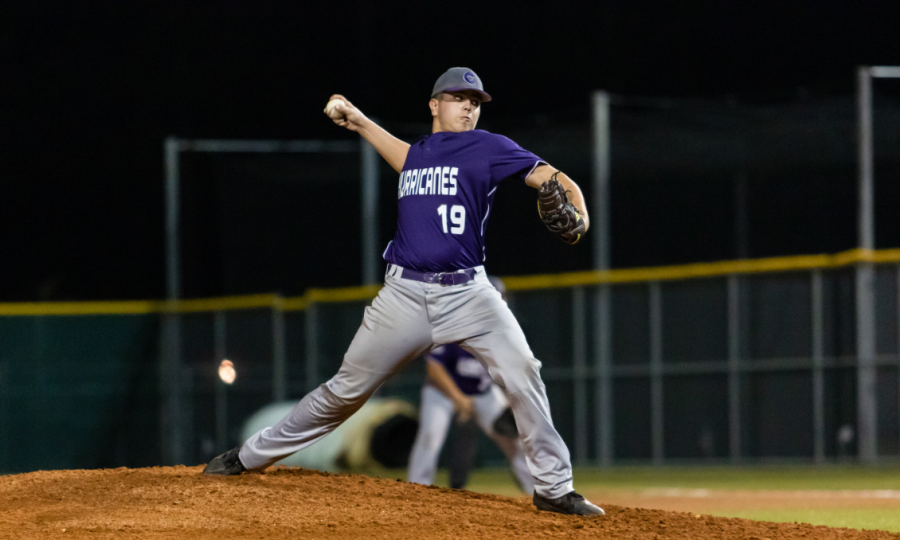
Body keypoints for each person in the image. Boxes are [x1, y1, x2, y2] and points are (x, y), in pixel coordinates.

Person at [204, 67, 604, 517]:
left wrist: (580, 213)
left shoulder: (488, 147)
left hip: (469, 293)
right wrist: (355, 118)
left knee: (524, 372)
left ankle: (553, 487)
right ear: (434, 104)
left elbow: (552, 178)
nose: (469, 106)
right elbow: (400, 154)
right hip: (403, 297)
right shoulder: (420, 154)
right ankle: (248, 456)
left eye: (475, 101)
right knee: (344, 393)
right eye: (459, 98)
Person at [407, 277, 533, 494]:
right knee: (430, 436)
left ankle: (540, 493)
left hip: (483, 393)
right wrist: (459, 399)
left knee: (514, 441)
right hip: (442, 393)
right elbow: (434, 368)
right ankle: (416, 490)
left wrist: (513, 403)